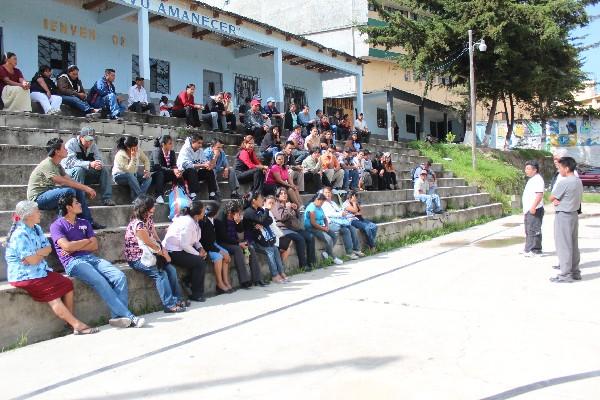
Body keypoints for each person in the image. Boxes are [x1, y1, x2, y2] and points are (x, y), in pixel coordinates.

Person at [5, 200, 100, 335]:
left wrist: (37, 254)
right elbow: (32, 260)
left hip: (39, 270)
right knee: (52, 296)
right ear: (29, 214)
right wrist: (38, 254)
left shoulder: (36, 228)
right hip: (24, 275)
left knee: (67, 283)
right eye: (37, 211)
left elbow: (48, 249)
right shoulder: (19, 234)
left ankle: (69, 324)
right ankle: (77, 325)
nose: (40, 214)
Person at [51, 193, 143, 328]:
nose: (80, 204)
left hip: (90, 258)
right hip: (73, 262)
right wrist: (85, 241)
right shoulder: (57, 225)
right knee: (100, 280)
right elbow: (66, 247)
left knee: (119, 276)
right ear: (68, 207)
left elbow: (94, 245)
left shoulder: (84, 222)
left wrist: (75, 245)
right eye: (76, 203)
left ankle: (117, 317)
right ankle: (129, 316)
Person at [125, 195, 187, 312]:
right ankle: (169, 305)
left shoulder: (148, 218)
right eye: (151, 206)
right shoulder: (137, 224)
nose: (154, 208)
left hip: (152, 253)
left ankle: (178, 299)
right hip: (138, 258)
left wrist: (163, 248)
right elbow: (149, 243)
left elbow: (155, 237)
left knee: (171, 270)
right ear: (145, 208)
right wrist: (164, 254)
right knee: (160, 274)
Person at [27, 138, 104, 229]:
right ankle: (61, 225)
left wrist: (84, 188)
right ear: (57, 151)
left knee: (77, 190)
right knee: (68, 192)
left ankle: (88, 223)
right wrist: (86, 188)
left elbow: (69, 179)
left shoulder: (57, 165)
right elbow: (62, 181)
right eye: (63, 148)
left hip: (48, 193)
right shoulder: (47, 164)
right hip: (37, 198)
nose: (66, 149)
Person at [162, 201, 207, 302]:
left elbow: (195, 240)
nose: (205, 213)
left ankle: (188, 281)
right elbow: (184, 244)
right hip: (173, 251)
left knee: (202, 257)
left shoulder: (193, 220)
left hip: (182, 248)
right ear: (196, 215)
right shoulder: (187, 222)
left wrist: (200, 248)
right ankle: (197, 293)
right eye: (203, 211)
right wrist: (198, 254)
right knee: (200, 262)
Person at [215, 201, 267, 288]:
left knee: (250, 248)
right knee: (237, 249)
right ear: (229, 212)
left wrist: (238, 223)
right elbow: (224, 238)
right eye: (237, 212)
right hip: (223, 243)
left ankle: (257, 279)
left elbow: (240, 231)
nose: (239, 214)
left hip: (234, 242)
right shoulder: (220, 219)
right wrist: (239, 243)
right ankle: (244, 281)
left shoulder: (236, 217)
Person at [549, 157, 583, 283]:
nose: (559, 170)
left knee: (563, 245)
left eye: (561, 167)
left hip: (563, 215)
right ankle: (575, 271)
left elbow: (551, 197)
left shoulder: (565, 182)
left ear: (567, 168)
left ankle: (565, 274)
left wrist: (557, 200)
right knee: (573, 244)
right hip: (573, 214)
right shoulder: (578, 181)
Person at [62, 126, 115, 207]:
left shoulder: (93, 145)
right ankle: (80, 199)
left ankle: (107, 198)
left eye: (91, 139)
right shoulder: (71, 143)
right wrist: (89, 164)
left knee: (104, 170)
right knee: (79, 170)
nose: (89, 142)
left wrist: (99, 165)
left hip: (85, 174)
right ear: (81, 137)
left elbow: (99, 158)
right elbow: (70, 162)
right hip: (69, 174)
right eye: (87, 139)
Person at [243, 192, 288, 283]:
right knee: (270, 250)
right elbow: (262, 219)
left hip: (261, 238)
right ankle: (274, 275)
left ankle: (281, 272)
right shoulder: (249, 211)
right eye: (260, 199)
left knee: (275, 249)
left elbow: (269, 220)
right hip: (252, 240)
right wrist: (266, 211)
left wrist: (261, 223)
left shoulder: (258, 209)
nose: (262, 200)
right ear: (254, 201)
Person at [271, 187, 317, 268]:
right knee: (300, 239)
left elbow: (294, 217)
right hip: (283, 229)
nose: (284, 195)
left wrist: (295, 210)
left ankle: (312, 263)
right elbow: (281, 217)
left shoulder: (288, 203)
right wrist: (288, 208)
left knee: (310, 236)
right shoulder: (276, 205)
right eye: (281, 194)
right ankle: (303, 265)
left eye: (285, 193)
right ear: (277, 196)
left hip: (293, 228)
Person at [322, 186, 364, 259]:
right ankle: (350, 252)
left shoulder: (333, 203)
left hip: (338, 222)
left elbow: (339, 210)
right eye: (326, 193)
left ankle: (355, 249)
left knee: (351, 228)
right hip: (330, 223)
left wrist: (342, 212)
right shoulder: (323, 204)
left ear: (331, 194)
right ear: (323, 194)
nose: (328, 194)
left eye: (329, 193)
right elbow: (329, 214)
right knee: (346, 229)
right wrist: (341, 214)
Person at [200, 204, 234, 294]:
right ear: (215, 213)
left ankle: (225, 281)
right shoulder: (205, 222)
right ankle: (219, 283)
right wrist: (220, 251)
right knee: (218, 257)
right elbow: (207, 243)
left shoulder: (212, 221)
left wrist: (223, 252)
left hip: (213, 244)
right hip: (206, 247)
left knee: (226, 254)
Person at [176, 133, 219, 201]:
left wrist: (208, 163)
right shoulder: (185, 149)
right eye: (199, 143)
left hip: (195, 174)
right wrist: (202, 165)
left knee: (209, 171)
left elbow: (204, 161)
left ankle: (212, 194)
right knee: (191, 170)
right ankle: (193, 194)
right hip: (183, 173)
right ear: (193, 142)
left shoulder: (200, 150)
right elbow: (186, 165)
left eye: (201, 143)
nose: (201, 145)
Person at [304, 193, 343, 265]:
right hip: (312, 228)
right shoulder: (311, 208)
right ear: (317, 200)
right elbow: (313, 223)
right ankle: (333, 257)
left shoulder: (319, 207)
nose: (322, 204)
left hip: (320, 226)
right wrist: (323, 229)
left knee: (334, 235)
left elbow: (325, 218)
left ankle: (327, 252)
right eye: (321, 202)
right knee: (329, 239)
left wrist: (327, 226)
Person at [112, 136, 152, 201]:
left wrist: (146, 171)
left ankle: (137, 199)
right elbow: (128, 170)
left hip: (133, 175)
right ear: (128, 147)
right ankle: (142, 197)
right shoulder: (120, 155)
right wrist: (133, 158)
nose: (136, 149)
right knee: (131, 176)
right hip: (119, 176)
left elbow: (146, 160)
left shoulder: (138, 150)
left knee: (148, 178)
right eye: (134, 147)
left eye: (137, 146)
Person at [522, 160, 545, 257]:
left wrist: (533, 206)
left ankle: (535, 250)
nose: (526, 170)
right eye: (526, 168)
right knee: (528, 229)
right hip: (528, 209)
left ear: (535, 170)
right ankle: (528, 248)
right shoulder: (532, 179)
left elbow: (539, 195)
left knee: (534, 229)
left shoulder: (538, 179)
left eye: (528, 168)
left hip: (534, 209)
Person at [151, 134, 182, 203]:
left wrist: (176, 171)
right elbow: (157, 167)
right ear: (163, 144)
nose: (172, 145)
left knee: (179, 174)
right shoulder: (157, 151)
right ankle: (158, 196)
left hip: (165, 174)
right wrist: (173, 170)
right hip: (155, 175)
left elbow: (174, 165)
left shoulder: (172, 152)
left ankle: (180, 194)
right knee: (160, 173)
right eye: (170, 143)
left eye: (172, 143)